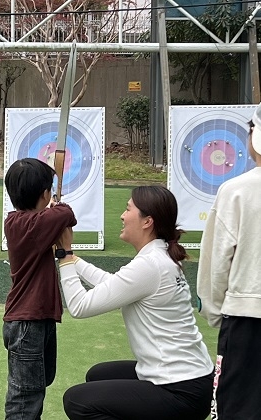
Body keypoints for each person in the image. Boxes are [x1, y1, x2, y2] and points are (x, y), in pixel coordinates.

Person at [56, 185, 214, 420]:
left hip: (181, 391)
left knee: (77, 401)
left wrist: (65, 256)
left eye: (128, 209)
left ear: (147, 221)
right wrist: (72, 258)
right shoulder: (158, 257)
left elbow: (79, 306)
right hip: (193, 380)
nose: (122, 215)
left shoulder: (150, 265)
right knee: (98, 375)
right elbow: (115, 286)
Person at [197, 104, 261, 420]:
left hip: (246, 320)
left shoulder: (236, 190)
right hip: (243, 312)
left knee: (238, 408)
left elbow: (214, 266)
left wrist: (215, 312)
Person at [3, 157, 77, 419]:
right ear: (45, 194)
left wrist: (49, 207)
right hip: (27, 321)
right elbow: (67, 214)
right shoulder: (28, 224)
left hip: (34, 318)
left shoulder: (21, 222)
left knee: (36, 387)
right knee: (25, 397)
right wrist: (56, 207)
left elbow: (57, 218)